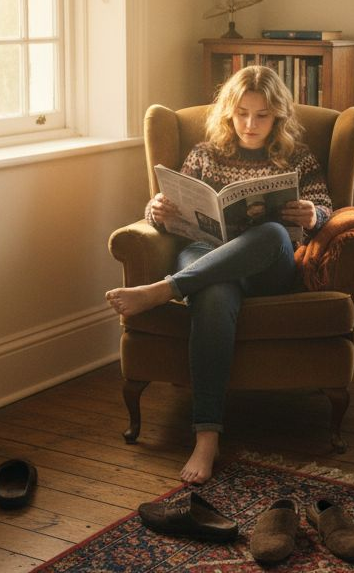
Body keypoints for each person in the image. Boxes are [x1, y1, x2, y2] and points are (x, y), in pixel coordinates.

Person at [104, 66, 333, 484]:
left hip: (269, 264)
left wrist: (314, 213)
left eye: (262, 115)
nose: (250, 124)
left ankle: (165, 290)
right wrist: (156, 212)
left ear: (278, 115)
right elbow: (172, 211)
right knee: (212, 293)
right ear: (229, 112)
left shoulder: (298, 157)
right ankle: (207, 436)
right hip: (206, 255)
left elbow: (328, 211)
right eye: (242, 113)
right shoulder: (204, 154)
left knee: (271, 232)